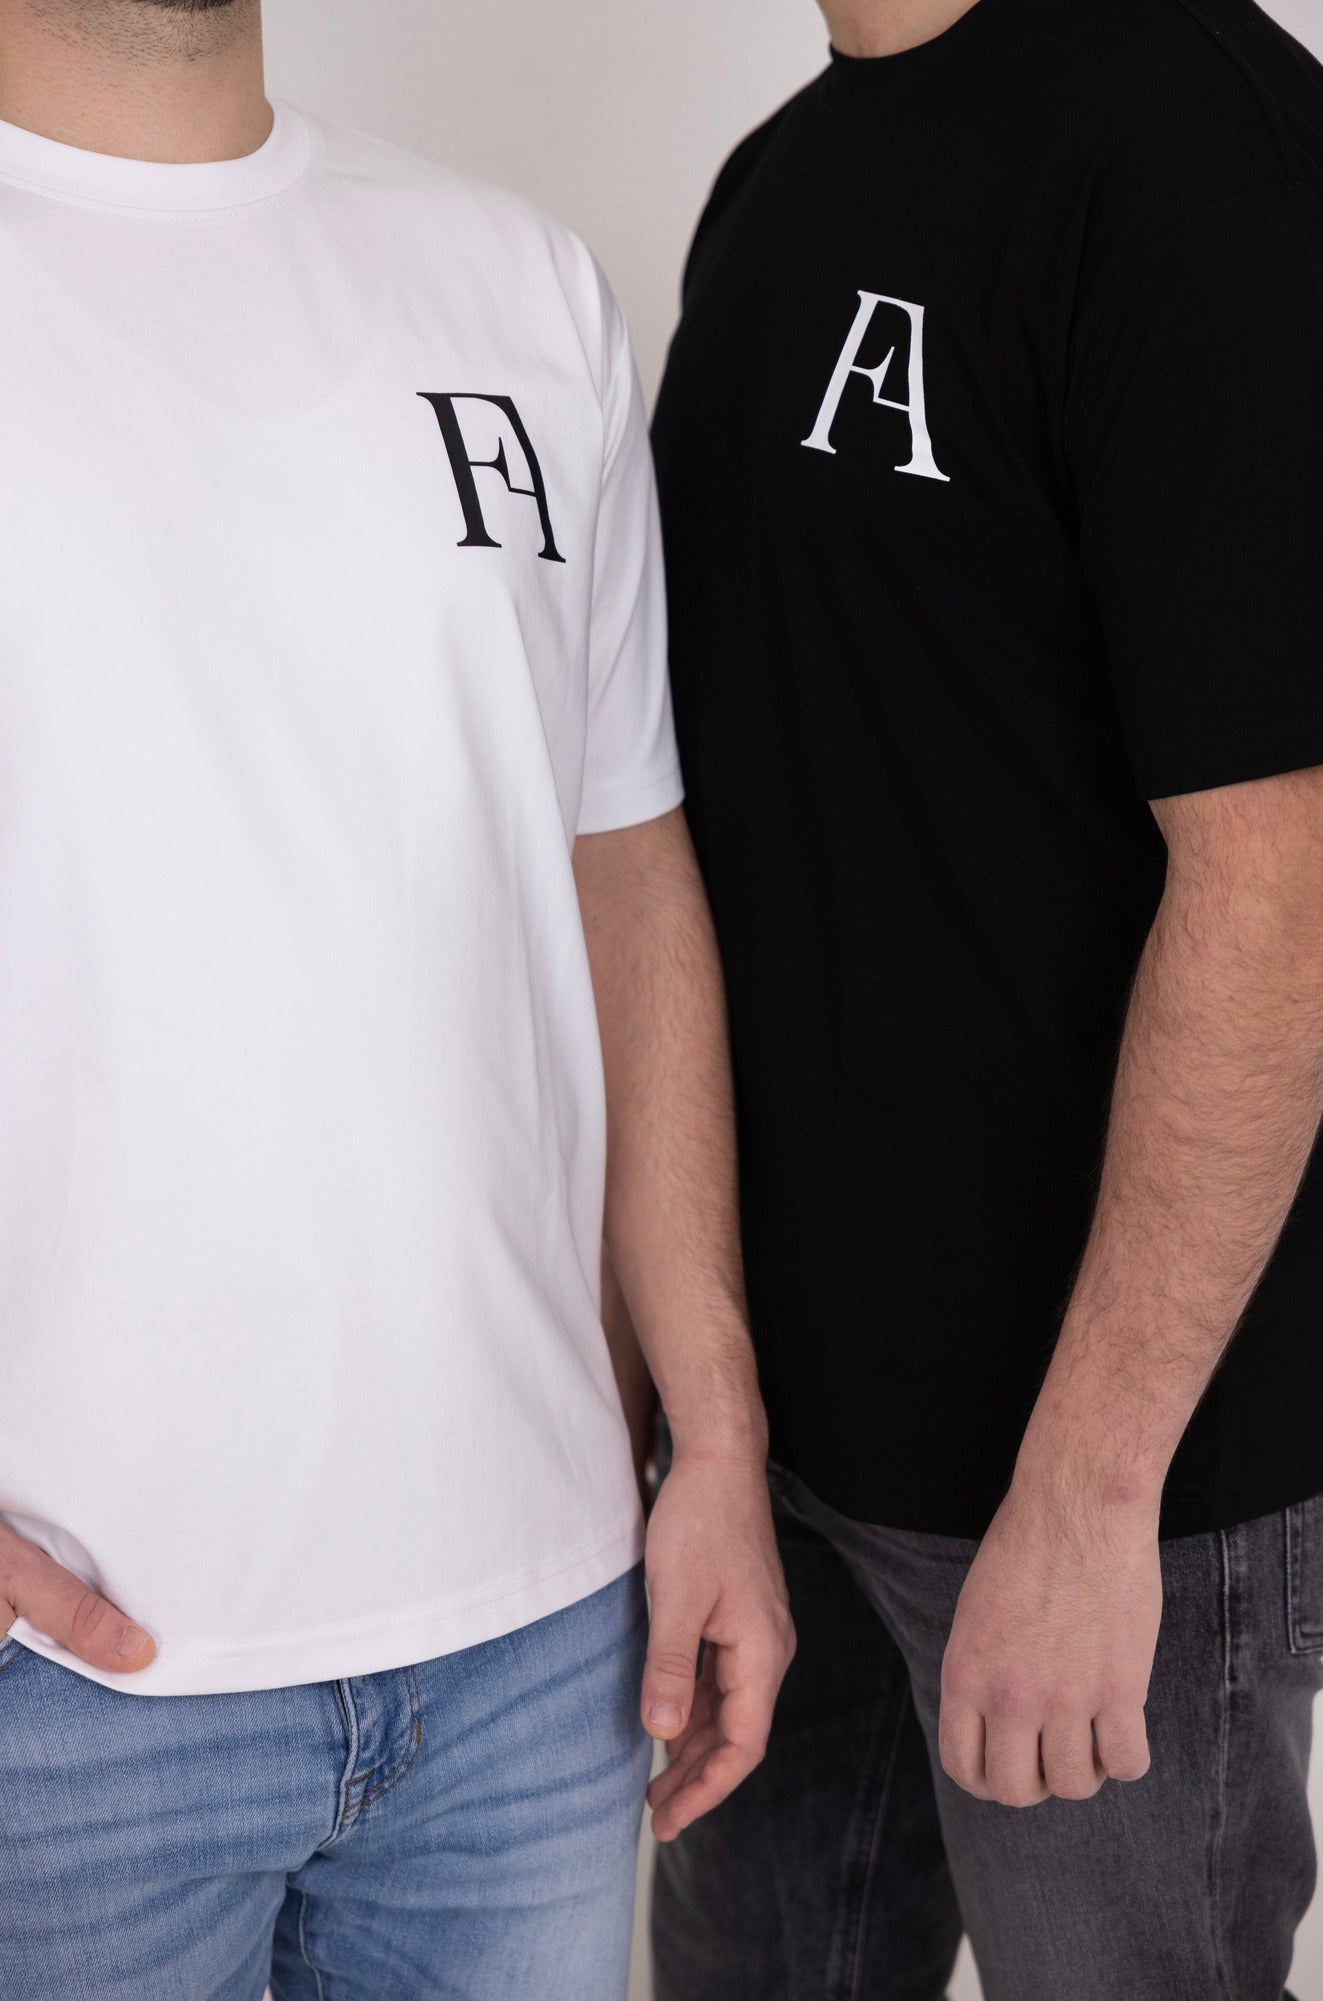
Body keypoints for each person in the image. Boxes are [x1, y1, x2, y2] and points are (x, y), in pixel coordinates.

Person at [0, 3, 794, 1996]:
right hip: (58, 1694)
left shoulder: (519, 283)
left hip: (539, 1656)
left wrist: (713, 1434)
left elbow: (624, 876)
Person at [649, 0, 1323, 1995]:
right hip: (776, 1463)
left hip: (1108, 1493)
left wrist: (1090, 1487)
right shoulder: (776, 179)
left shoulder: (1195, 142)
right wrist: (697, 1413)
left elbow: (1282, 880)